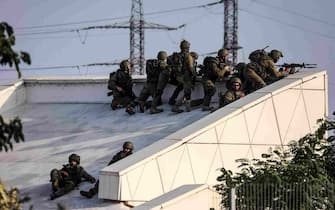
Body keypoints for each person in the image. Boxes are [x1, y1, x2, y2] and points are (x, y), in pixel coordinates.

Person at [167, 40, 195, 113]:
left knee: (180, 86)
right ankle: (177, 106)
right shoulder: (188, 56)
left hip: (177, 76)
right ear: (188, 47)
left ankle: (172, 100)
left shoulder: (176, 55)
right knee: (187, 92)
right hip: (185, 77)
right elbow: (191, 68)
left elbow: (169, 62)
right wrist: (194, 75)